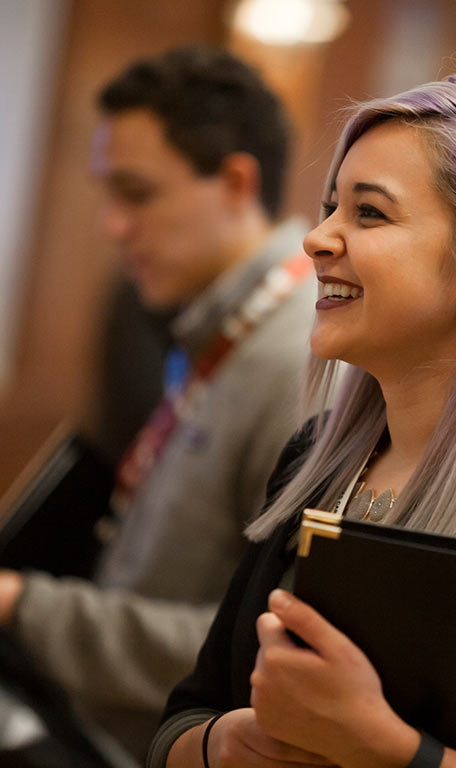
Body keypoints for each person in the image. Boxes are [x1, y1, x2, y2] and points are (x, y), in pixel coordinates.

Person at [147, 69, 456, 768]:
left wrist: (384, 749)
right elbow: (187, 713)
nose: (316, 238)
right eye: (331, 205)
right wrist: (225, 745)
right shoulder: (315, 459)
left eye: (369, 214)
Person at [0, 45, 315, 759]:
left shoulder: (298, 356)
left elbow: (257, 647)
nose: (112, 225)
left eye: (136, 193)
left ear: (236, 182)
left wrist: (23, 604)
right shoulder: (227, 326)